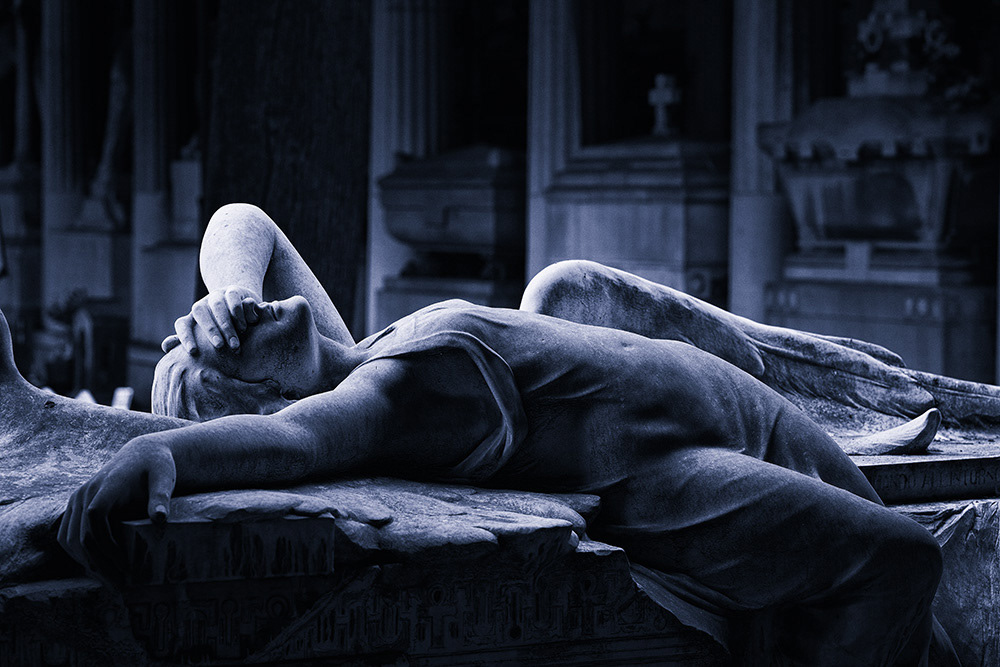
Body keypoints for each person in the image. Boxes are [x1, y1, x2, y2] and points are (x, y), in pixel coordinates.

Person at [58, 203, 958, 665]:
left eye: (207, 321)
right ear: (264, 404)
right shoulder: (381, 400)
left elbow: (240, 222)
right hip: (669, 468)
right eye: (216, 354)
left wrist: (227, 290)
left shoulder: (353, 350)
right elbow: (293, 449)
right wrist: (157, 449)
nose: (218, 326)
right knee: (900, 560)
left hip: (741, 409)